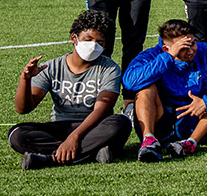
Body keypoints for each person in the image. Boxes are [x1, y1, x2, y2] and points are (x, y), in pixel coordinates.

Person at [8, 9, 132, 169]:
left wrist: (74, 137)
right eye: (88, 39)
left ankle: (49, 159)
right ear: (74, 38)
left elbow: (102, 109)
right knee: (17, 134)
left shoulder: (109, 69)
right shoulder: (52, 67)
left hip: (95, 126)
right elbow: (23, 108)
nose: (93, 46)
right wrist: (25, 79)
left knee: (121, 123)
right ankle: (92, 153)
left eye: (99, 42)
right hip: (61, 126)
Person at [123, 18, 207, 162]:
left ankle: (190, 143)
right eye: (183, 48)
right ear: (166, 48)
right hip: (161, 120)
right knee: (145, 87)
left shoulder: (205, 52)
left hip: (195, 120)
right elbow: (130, 82)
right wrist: (168, 57)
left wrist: (206, 103)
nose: (190, 51)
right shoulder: (152, 55)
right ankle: (149, 140)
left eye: (192, 43)